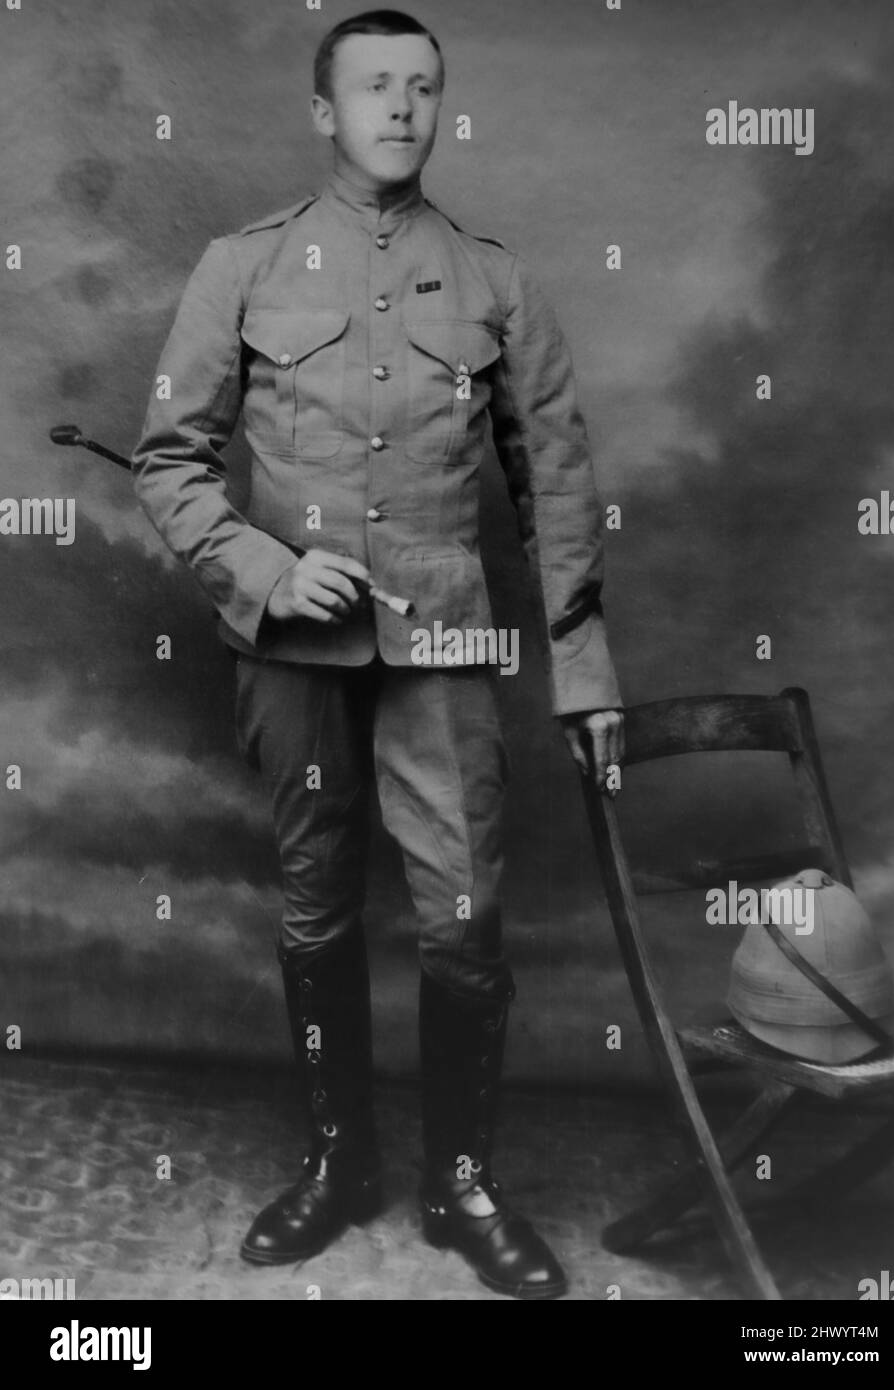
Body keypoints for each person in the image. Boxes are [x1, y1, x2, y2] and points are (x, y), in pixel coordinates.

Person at [132, 8, 623, 1301]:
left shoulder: (494, 283)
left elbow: (558, 489)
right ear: (324, 111)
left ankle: (462, 1185)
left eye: (421, 87)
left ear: (439, 107)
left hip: (446, 651)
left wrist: (584, 675)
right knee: (314, 904)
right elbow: (170, 462)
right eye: (373, 87)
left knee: (464, 918)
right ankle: (340, 1163)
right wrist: (264, 569)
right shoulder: (241, 266)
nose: (399, 108)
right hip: (290, 653)